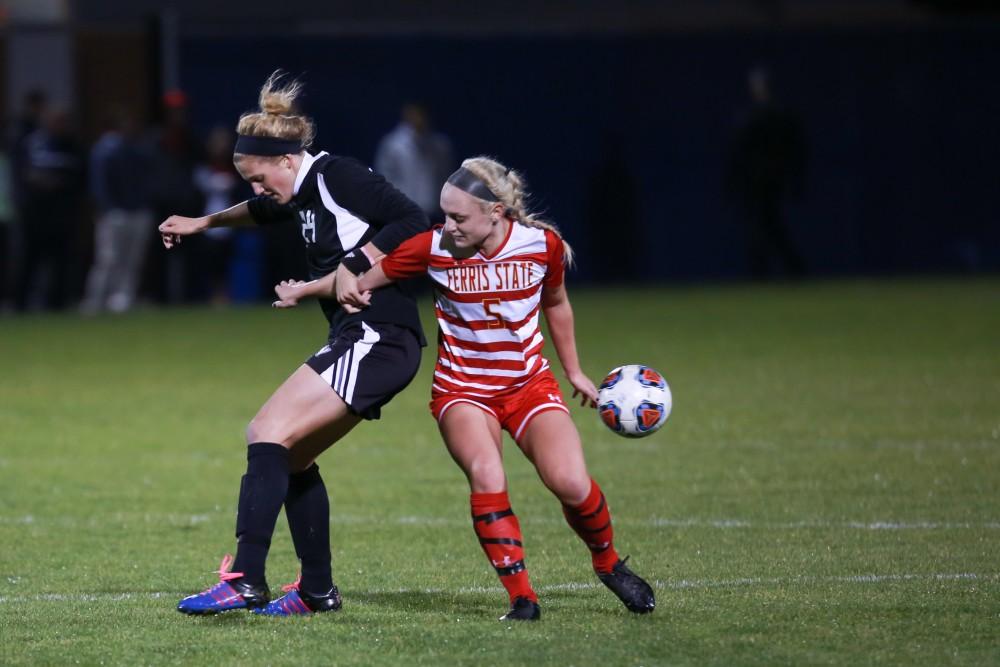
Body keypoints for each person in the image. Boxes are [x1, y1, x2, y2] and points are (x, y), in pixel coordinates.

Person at [274, 157, 655, 621]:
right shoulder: (432, 247)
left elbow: (556, 301)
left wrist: (573, 371)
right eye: (445, 214)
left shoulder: (542, 245)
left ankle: (608, 563)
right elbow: (360, 279)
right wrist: (314, 289)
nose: (447, 225)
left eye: (458, 217)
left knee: (570, 483)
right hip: (463, 391)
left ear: (496, 213)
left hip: (528, 385)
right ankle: (521, 598)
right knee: (487, 476)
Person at [159, 71, 429, 616]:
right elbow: (262, 210)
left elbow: (414, 220)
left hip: (380, 335)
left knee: (266, 431)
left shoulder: (338, 176)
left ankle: (244, 579)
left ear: (287, 160)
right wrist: (203, 222)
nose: (259, 191)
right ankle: (316, 591)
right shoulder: (299, 188)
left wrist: (356, 264)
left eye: (261, 178)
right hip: (362, 336)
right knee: (294, 456)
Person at [726, 66, 807, 279]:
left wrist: (796, 180)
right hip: (752, 183)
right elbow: (737, 154)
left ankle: (789, 271)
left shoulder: (777, 115)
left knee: (769, 227)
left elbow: (795, 150)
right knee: (760, 228)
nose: (759, 89)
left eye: (762, 84)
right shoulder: (749, 116)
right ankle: (765, 273)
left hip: (770, 181)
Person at [81, 108, 156, 314]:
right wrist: (105, 208)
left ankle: (122, 300)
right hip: (115, 212)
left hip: (137, 210)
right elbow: (99, 184)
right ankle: (96, 300)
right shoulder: (104, 150)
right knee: (108, 259)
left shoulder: (136, 148)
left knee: (132, 260)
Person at [374, 103, 454, 223]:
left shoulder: (440, 144)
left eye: (420, 115)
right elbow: (384, 177)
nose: (417, 119)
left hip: (434, 210)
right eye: (413, 114)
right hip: (403, 210)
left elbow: (446, 175)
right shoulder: (393, 145)